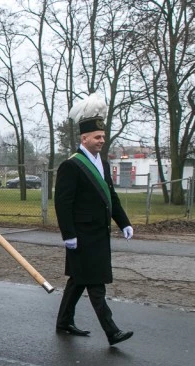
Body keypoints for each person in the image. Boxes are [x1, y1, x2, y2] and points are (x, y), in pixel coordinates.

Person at [54, 94, 135, 346]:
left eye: (103, 137)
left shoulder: (102, 162)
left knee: (78, 280)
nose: (102, 140)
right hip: (82, 235)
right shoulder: (72, 166)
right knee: (95, 283)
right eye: (97, 137)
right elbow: (63, 204)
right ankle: (112, 331)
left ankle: (64, 321)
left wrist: (124, 222)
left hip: (99, 234)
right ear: (84, 138)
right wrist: (68, 235)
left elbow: (110, 196)